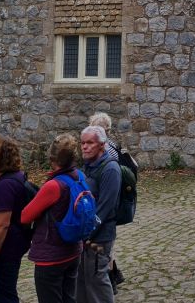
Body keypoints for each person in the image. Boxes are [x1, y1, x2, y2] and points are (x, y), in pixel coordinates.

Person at [21, 133, 84, 303]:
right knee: (69, 299)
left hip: (52, 257)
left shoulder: (54, 185)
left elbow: (25, 216)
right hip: (73, 251)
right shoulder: (79, 176)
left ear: (52, 158)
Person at [0, 135, 31, 303]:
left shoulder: (6, 185)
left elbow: (2, 225)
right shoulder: (17, 177)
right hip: (14, 246)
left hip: (5, 251)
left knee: (4, 296)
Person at [77, 125, 122, 303]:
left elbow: (105, 208)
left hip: (100, 237)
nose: (84, 147)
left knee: (97, 280)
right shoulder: (88, 166)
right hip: (84, 235)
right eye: (82, 143)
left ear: (102, 145)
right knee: (82, 280)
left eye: (90, 143)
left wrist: (86, 233)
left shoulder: (110, 169)